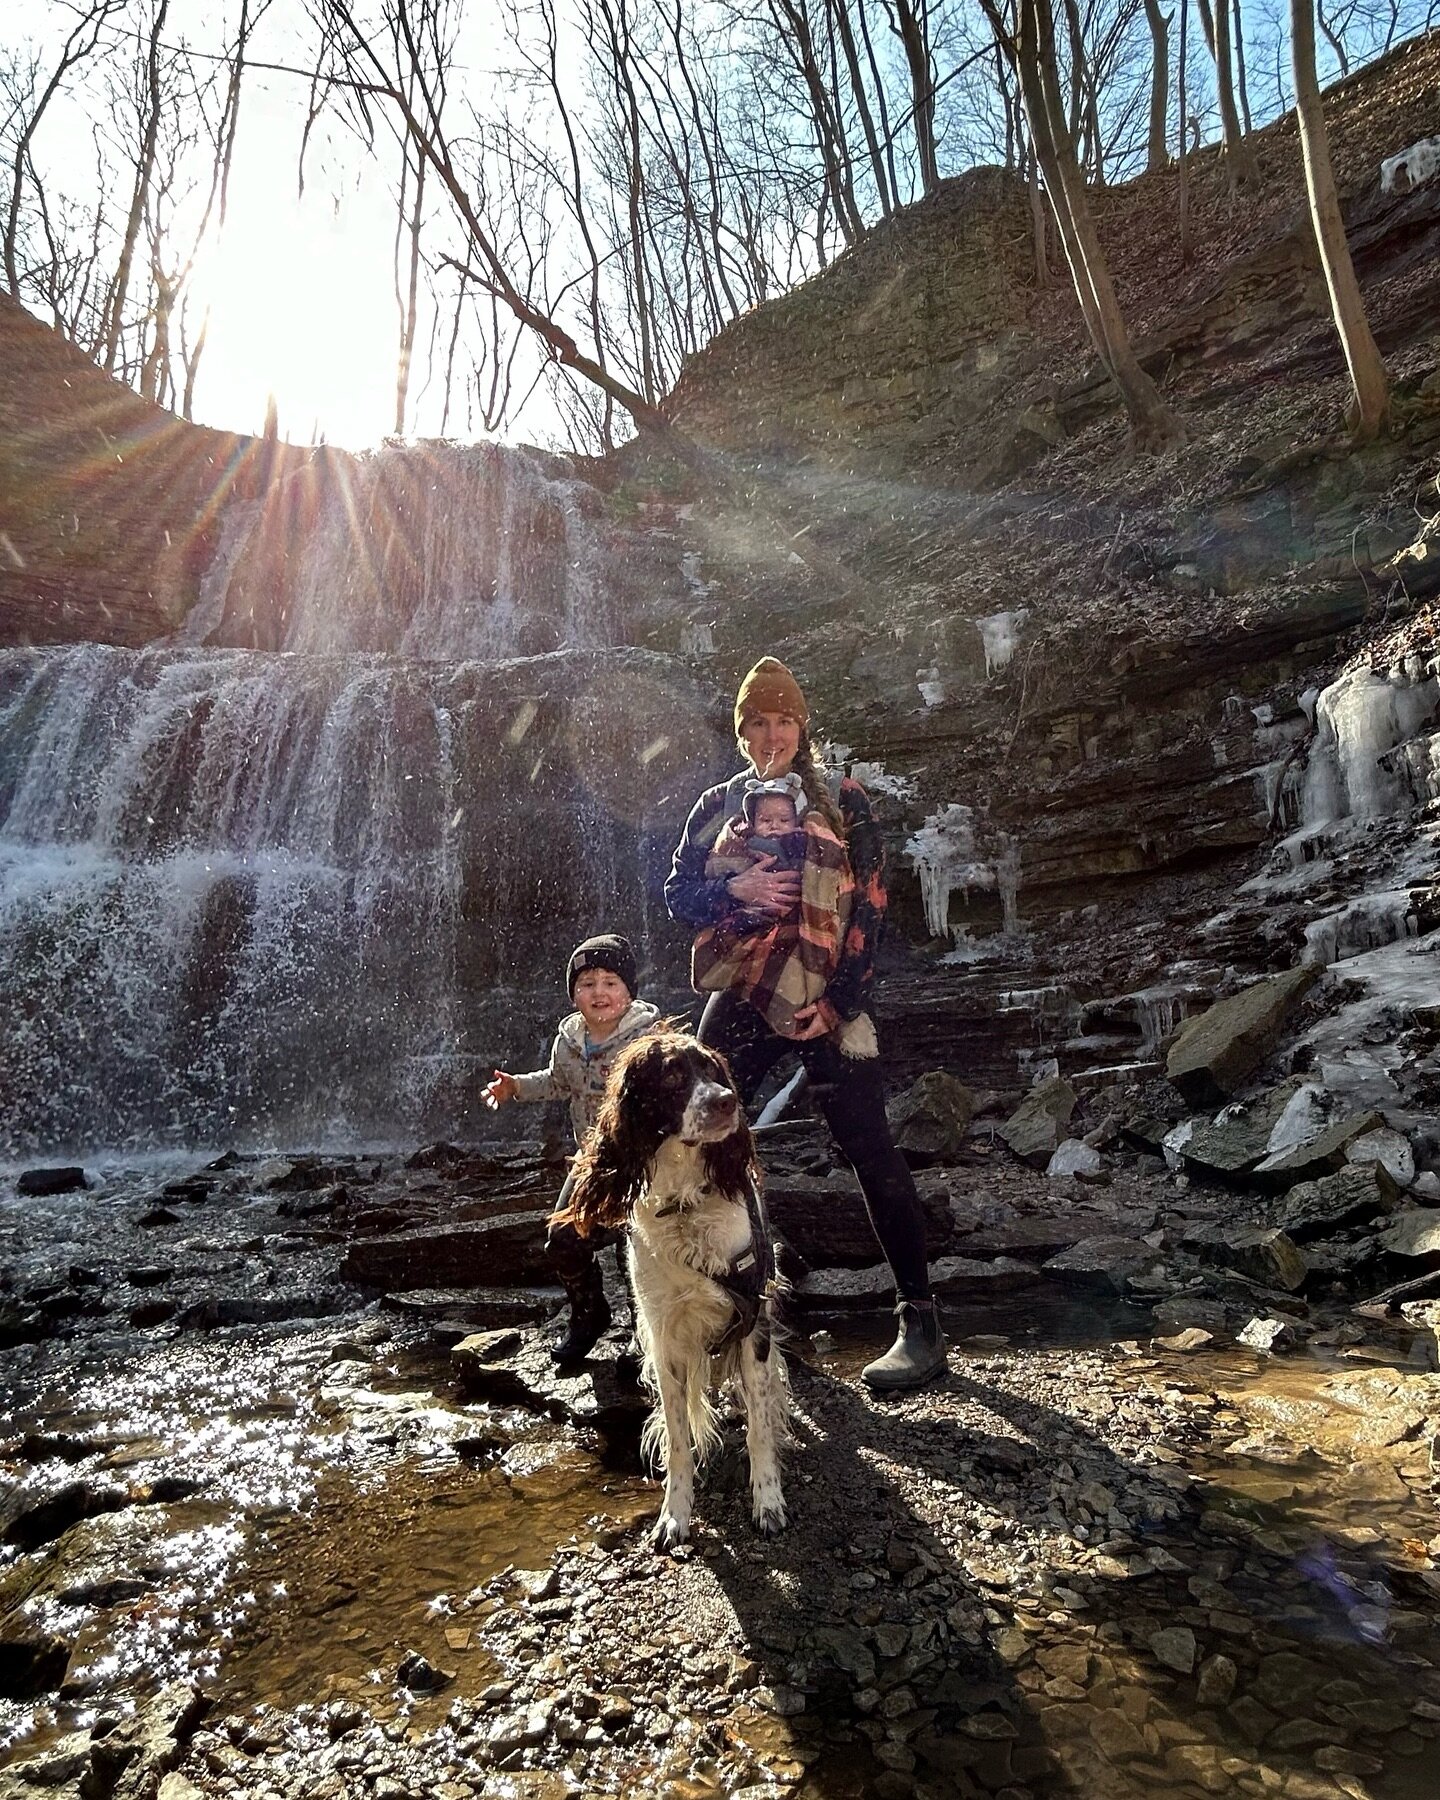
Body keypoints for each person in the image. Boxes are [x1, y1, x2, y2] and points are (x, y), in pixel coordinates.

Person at [665, 656, 946, 1391]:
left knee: (868, 1149)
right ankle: (732, 1313)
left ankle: (920, 1321)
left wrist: (841, 1004)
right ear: (741, 731)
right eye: (756, 722)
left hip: (830, 997)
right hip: (750, 990)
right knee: (703, 1137)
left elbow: (873, 908)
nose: (770, 734)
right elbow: (677, 892)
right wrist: (736, 886)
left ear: (802, 726)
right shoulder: (717, 804)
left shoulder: (846, 800)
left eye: (783, 719)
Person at [484, 933, 658, 1363]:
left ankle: (645, 1335)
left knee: (636, 1246)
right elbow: (558, 1081)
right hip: (592, 1160)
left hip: (645, 1163)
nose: (598, 992)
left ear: (628, 990)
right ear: (574, 994)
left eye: (610, 982)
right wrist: (516, 1088)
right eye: (587, 984)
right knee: (562, 1237)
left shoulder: (649, 1039)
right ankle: (589, 1312)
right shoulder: (570, 1039)